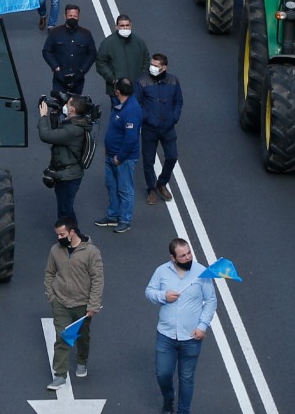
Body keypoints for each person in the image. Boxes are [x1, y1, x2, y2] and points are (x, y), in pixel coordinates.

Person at [144, 238, 218, 414]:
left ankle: (184, 411)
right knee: (163, 374)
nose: (188, 257)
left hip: (191, 337)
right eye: (183, 255)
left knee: (186, 377)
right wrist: (163, 296)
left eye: (189, 253)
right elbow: (149, 291)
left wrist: (202, 326)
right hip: (166, 335)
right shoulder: (161, 271)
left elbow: (211, 301)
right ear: (173, 258)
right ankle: (168, 399)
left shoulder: (202, 273)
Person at [44, 217, 105, 390]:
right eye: (57, 234)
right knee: (63, 337)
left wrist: (93, 305)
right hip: (61, 302)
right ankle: (60, 374)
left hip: (83, 305)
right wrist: (52, 297)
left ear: (72, 232)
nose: (59, 238)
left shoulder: (91, 252)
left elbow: (97, 279)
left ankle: (82, 361)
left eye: (62, 234)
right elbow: (49, 273)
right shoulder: (55, 250)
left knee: (82, 337)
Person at [38, 94, 95, 226]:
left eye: (68, 104)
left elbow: (47, 136)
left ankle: (72, 239)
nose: (65, 106)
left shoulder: (73, 130)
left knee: (65, 211)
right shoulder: (74, 124)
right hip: (67, 173)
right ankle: (75, 237)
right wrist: (54, 115)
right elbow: (58, 132)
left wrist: (43, 116)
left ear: (72, 110)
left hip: (68, 176)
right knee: (66, 209)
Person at [138, 54, 182, 205]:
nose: (153, 67)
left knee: (172, 156)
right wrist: (148, 118)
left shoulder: (173, 81)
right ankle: (151, 189)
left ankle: (161, 183)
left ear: (164, 67)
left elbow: (178, 102)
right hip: (149, 128)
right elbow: (138, 103)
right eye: (152, 64)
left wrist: (174, 118)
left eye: (156, 65)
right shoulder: (142, 81)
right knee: (148, 160)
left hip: (168, 127)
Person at [98, 78, 141, 233]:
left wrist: (119, 157)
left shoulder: (131, 109)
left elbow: (131, 139)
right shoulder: (120, 105)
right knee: (111, 185)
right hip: (112, 154)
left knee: (124, 189)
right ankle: (113, 215)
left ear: (117, 91)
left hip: (123, 158)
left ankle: (125, 220)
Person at [44, 4, 97, 97]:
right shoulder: (55, 32)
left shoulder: (86, 34)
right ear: (65, 16)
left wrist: (82, 70)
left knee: (75, 108)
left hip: (77, 79)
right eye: (70, 16)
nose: (73, 18)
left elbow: (92, 54)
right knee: (58, 106)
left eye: (75, 16)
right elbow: (46, 51)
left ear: (78, 17)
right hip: (59, 77)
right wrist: (55, 67)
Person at [95, 14, 151, 92]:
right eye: (122, 26)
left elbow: (146, 59)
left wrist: (142, 77)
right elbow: (100, 63)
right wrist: (113, 79)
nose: (125, 28)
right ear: (116, 27)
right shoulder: (107, 43)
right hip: (116, 90)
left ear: (130, 25)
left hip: (136, 88)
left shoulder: (139, 42)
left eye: (127, 25)